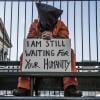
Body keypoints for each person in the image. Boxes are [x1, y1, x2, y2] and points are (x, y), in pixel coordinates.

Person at [13, 3, 82, 97]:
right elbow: (29, 41)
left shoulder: (61, 25)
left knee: (70, 53)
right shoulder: (34, 25)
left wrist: (52, 37)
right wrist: (40, 37)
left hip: (57, 63)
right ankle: (23, 87)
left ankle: (70, 87)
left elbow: (65, 41)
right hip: (37, 64)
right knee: (24, 55)